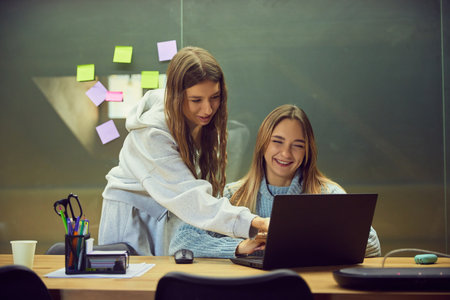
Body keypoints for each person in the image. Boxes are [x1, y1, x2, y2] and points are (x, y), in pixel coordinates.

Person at [98, 46, 269, 256]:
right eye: (196, 100)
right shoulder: (152, 134)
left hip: (169, 212)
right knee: (134, 286)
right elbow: (190, 197)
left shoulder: (197, 120)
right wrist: (255, 222)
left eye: (215, 97)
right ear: (177, 96)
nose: (207, 109)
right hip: (133, 220)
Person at [170, 104, 381, 258]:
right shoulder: (232, 195)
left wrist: (298, 242)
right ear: (263, 144)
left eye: (297, 145)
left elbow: (372, 244)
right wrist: (239, 247)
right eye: (277, 142)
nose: (286, 153)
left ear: (307, 151)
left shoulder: (327, 193)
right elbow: (180, 241)